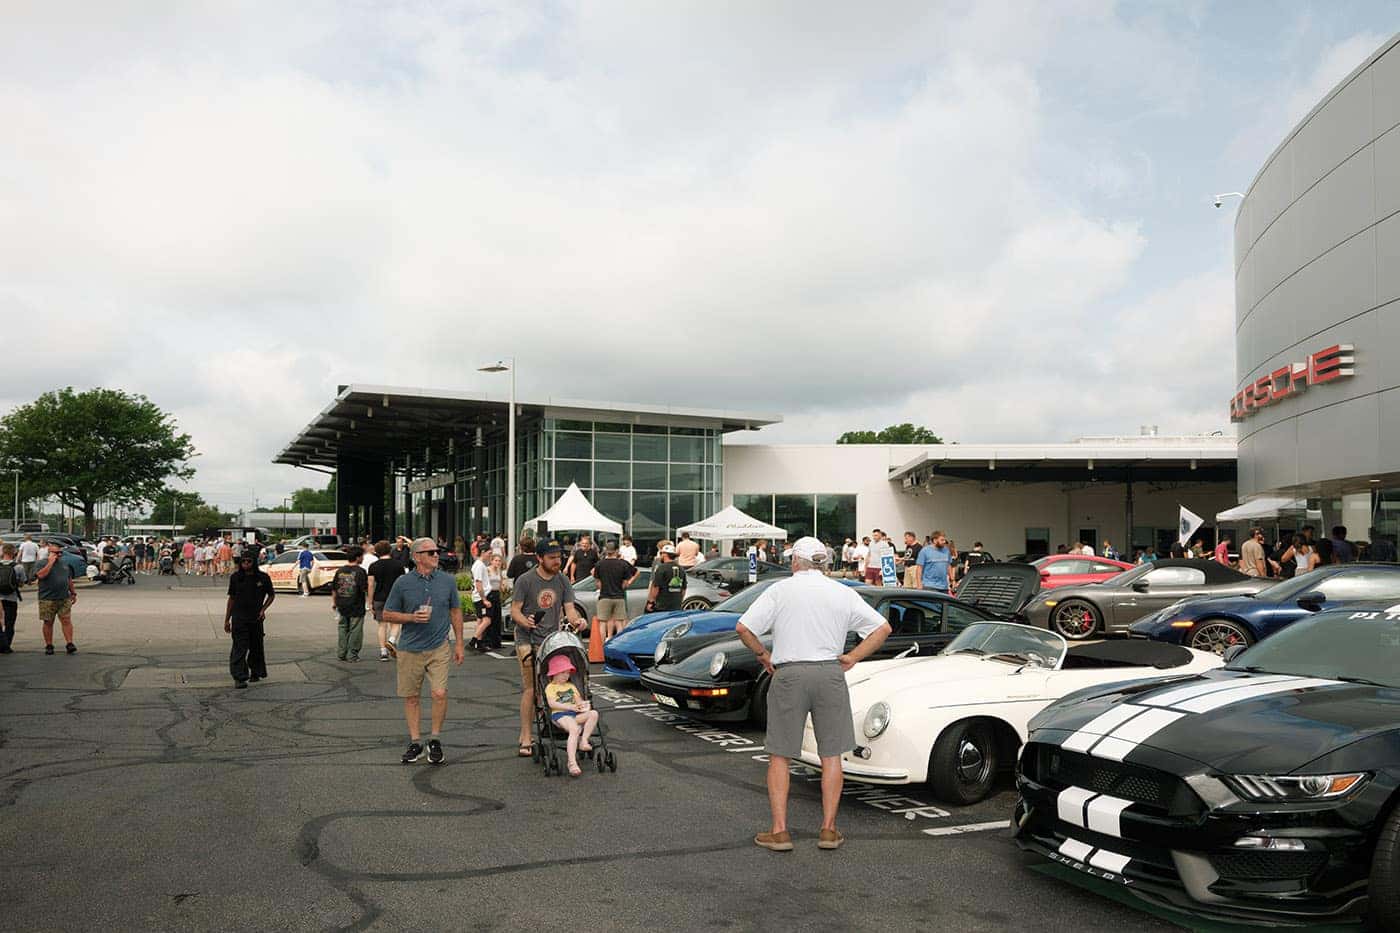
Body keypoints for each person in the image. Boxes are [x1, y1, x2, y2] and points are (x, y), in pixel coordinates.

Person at [735, 537, 891, 852]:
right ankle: (829, 829)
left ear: (796, 561)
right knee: (831, 754)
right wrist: (853, 657)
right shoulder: (842, 592)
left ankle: (780, 831)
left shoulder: (780, 590)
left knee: (780, 754)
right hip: (829, 673)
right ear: (823, 563)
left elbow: (744, 628)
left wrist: (763, 655)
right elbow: (882, 628)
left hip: (789, 673)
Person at [382, 537, 465, 765]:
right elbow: (387, 614)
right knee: (411, 697)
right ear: (417, 557)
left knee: (439, 693)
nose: (436, 555)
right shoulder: (403, 583)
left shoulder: (447, 581)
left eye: (437, 551)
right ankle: (416, 742)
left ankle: (435, 739)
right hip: (410, 648)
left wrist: (459, 643)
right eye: (430, 552)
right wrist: (411, 617)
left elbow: (455, 611)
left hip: (439, 646)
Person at [510, 539, 586, 757]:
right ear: (539, 558)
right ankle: (526, 736)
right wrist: (525, 621)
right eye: (552, 558)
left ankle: (554, 723)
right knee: (531, 688)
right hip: (527, 638)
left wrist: (578, 621)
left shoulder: (562, 580)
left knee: (552, 685)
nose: (557, 561)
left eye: (559, 557)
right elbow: (515, 611)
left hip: (551, 641)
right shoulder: (525, 580)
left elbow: (569, 609)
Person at [225, 547, 275, 687]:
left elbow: (271, 595)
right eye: (243, 561)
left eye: (249, 561)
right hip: (239, 618)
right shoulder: (236, 578)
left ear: (254, 562)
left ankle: (256, 672)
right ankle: (239, 677)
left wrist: (263, 609)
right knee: (240, 647)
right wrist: (227, 619)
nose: (246, 564)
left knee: (256, 646)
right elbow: (231, 599)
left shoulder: (263, 578)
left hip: (256, 618)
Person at [544, 655, 600, 777]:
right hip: (560, 715)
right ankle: (572, 762)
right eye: (563, 673)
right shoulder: (551, 687)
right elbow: (552, 704)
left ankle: (583, 741)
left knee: (593, 714)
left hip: (574, 714)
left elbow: (578, 700)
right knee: (575, 729)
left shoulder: (570, 686)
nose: (566, 676)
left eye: (568, 673)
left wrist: (582, 705)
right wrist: (570, 707)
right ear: (554, 673)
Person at [35, 541, 78, 655]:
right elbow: (41, 575)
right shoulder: (41, 563)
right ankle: (49, 645)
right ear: (49, 553)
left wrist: (73, 593)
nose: (59, 555)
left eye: (60, 553)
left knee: (66, 620)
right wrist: (50, 562)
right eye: (56, 553)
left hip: (63, 597)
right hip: (47, 598)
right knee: (48, 622)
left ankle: (69, 643)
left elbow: (69, 579)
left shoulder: (64, 564)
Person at [593, 539, 639, 640]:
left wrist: (603, 588)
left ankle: (602, 645)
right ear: (617, 550)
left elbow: (597, 581)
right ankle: (619, 643)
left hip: (604, 596)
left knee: (602, 623)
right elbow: (628, 580)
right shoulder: (623, 564)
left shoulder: (599, 564)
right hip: (619, 597)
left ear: (606, 550)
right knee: (619, 623)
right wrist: (623, 586)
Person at [368, 540, 406, 662]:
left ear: (377, 552)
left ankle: (383, 652)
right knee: (395, 623)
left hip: (379, 598)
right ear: (390, 550)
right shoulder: (398, 565)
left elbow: (371, 585)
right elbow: (402, 583)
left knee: (382, 625)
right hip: (395, 598)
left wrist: (370, 602)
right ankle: (391, 640)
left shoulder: (373, 566)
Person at [331, 546, 369, 662]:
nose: (363, 558)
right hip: (356, 604)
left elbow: (334, 588)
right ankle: (352, 654)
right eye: (362, 556)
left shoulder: (340, 571)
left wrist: (334, 602)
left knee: (342, 628)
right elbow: (364, 588)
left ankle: (341, 653)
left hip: (341, 604)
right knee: (355, 629)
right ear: (357, 557)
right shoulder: (360, 572)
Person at [469, 551, 504, 652]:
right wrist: (484, 598)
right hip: (488, 595)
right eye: (495, 560)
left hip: (496, 595)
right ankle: (478, 641)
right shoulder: (485, 569)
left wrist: (502, 589)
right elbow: (480, 583)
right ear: (492, 561)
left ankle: (493, 642)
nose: (498, 562)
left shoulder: (498, 571)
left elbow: (500, 583)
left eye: (499, 561)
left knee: (494, 619)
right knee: (487, 620)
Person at [0, 544, 29, 653]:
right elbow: (22, 582)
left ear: (3, 552)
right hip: (11, 598)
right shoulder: (18, 567)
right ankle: (6, 646)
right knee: (9, 623)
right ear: (14, 553)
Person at [647, 544, 686, 613]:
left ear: (665, 554)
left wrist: (651, 601)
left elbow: (656, 587)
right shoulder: (681, 569)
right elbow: (683, 588)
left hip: (662, 605)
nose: (660, 556)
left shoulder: (662, 568)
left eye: (661, 553)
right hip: (676, 606)